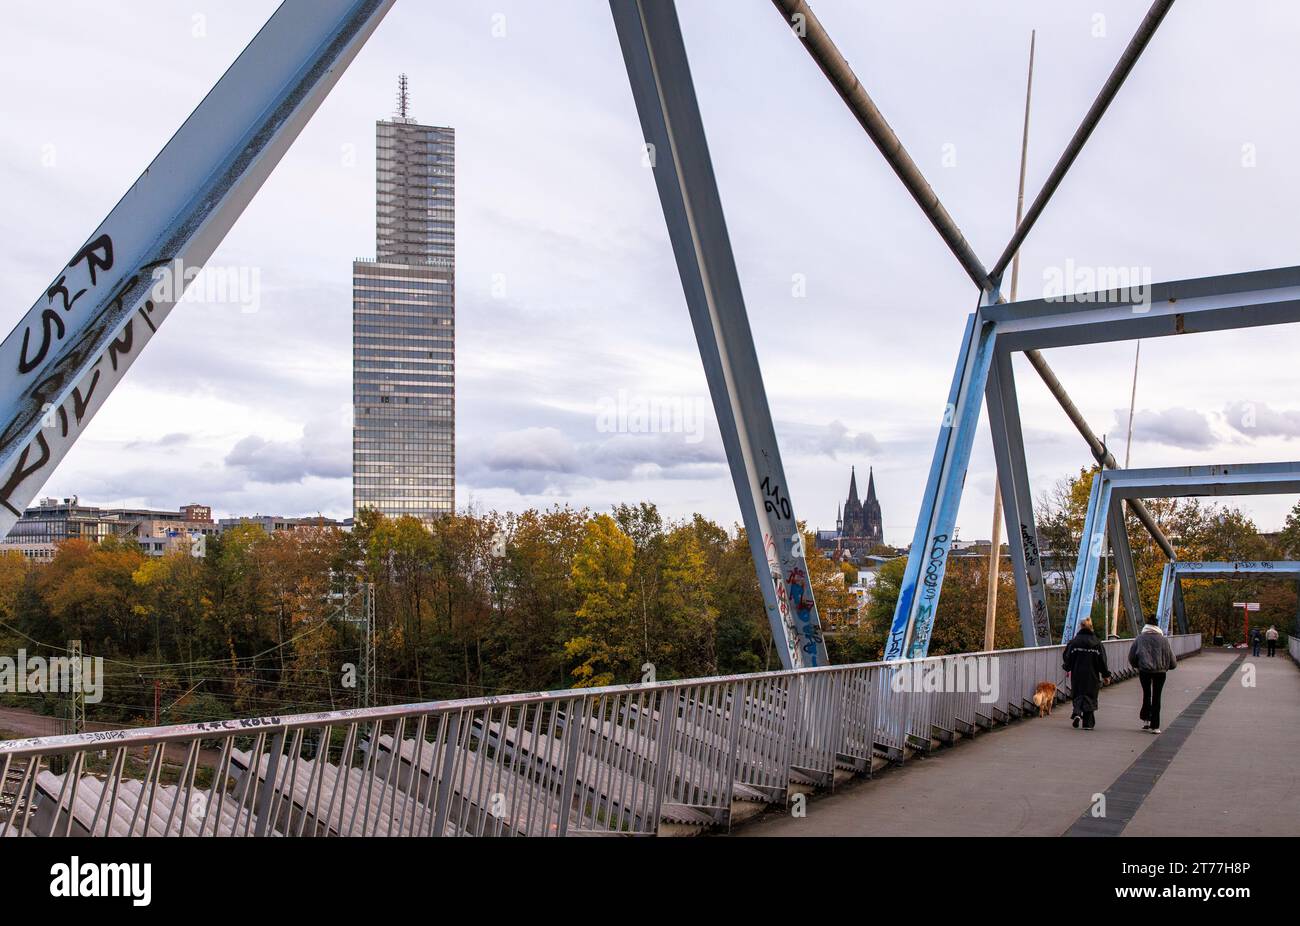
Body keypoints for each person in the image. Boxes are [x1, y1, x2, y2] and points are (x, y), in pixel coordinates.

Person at [1128, 616, 1177, 734]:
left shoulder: (1140, 639)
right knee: (1157, 697)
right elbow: (1172, 660)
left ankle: (1146, 720)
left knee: (1147, 694)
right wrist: (1167, 667)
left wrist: (1138, 665)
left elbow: (1132, 657)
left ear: (1146, 625)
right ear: (1157, 626)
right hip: (1160, 672)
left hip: (1145, 671)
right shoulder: (1163, 640)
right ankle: (1155, 726)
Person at [1063, 618, 1112, 730]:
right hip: (1092, 674)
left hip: (1077, 673)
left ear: (1081, 627)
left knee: (1078, 693)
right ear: (1091, 627)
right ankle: (1088, 723)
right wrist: (1106, 675)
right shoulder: (1097, 643)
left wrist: (1067, 667)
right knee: (1090, 696)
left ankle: (1077, 712)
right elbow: (1102, 661)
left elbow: (1067, 656)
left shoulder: (1074, 642)